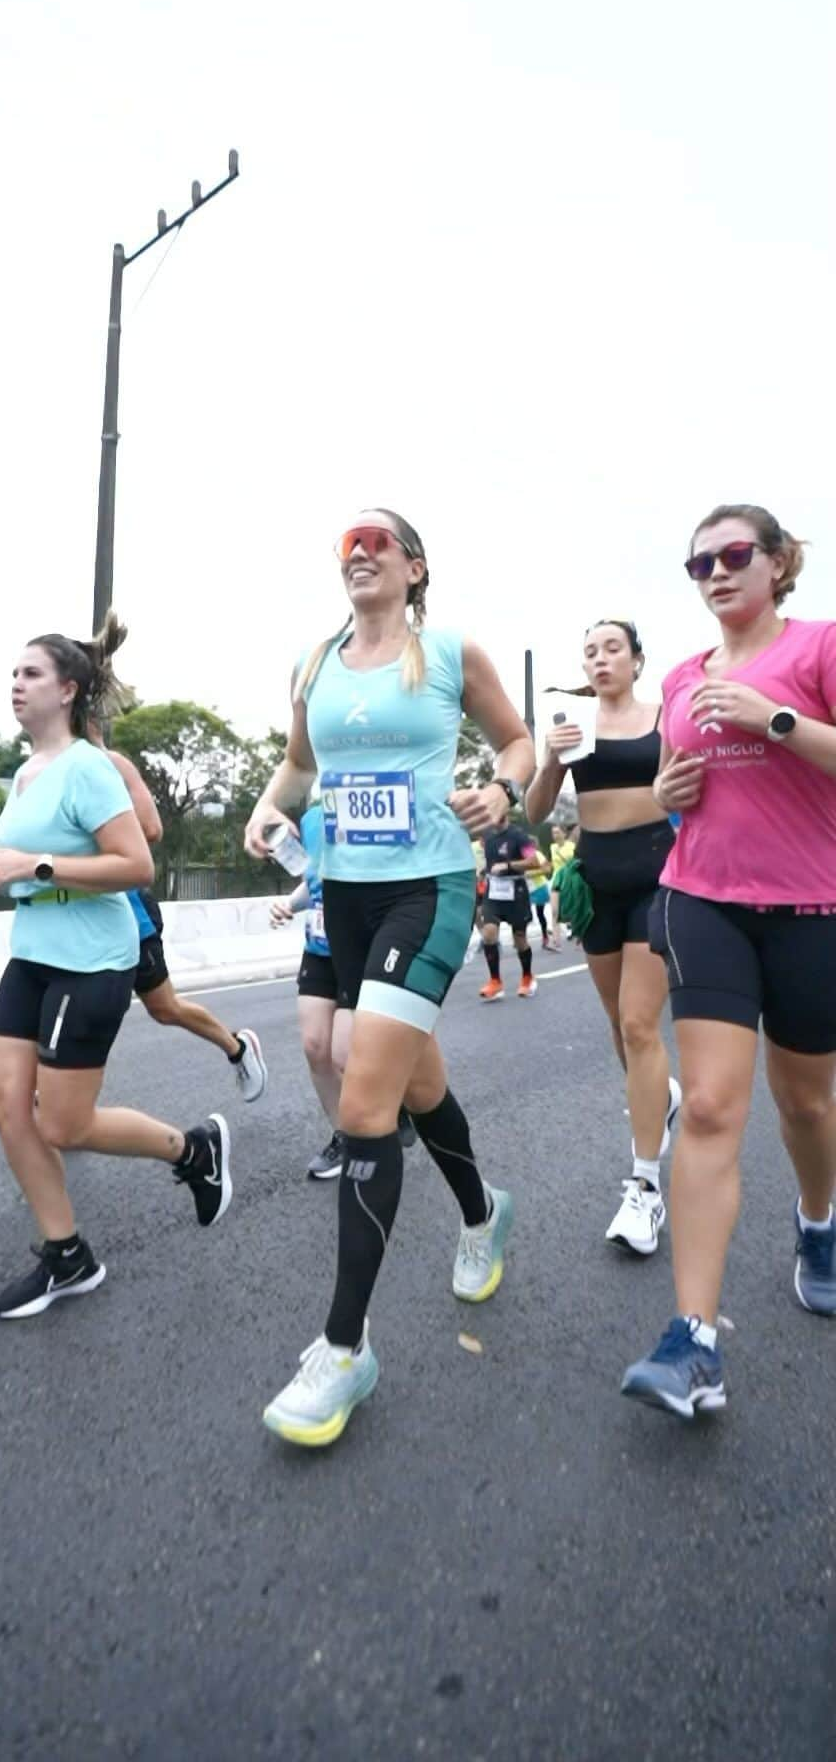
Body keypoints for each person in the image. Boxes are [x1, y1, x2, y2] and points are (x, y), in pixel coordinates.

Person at [246, 510, 534, 1446]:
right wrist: (263, 809)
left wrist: (503, 790)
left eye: (378, 540)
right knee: (417, 1081)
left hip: (431, 888)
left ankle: (343, 1350)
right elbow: (298, 765)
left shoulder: (450, 651)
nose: (358, 551)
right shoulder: (314, 664)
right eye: (345, 545)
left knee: (366, 1103)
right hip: (347, 900)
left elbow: (519, 746)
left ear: (414, 566)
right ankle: (484, 1213)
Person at [622, 506, 836, 1417]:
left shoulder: (821, 648)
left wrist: (778, 716)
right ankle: (693, 1341)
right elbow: (674, 784)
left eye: (734, 555)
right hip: (702, 900)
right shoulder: (679, 678)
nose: (715, 572)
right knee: (709, 1106)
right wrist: (667, 789)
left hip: (812, 909)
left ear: (779, 563)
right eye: (698, 562)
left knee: (808, 1103)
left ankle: (819, 1222)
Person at [0, 615, 231, 1320]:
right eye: (13, 675)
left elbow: (137, 863)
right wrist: (4, 873)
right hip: (32, 956)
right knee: (3, 1104)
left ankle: (192, 1151)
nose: (16, 686)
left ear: (69, 690)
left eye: (31, 675)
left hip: (91, 962)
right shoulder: (26, 772)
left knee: (62, 1123)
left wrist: (36, 864)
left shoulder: (89, 766)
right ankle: (67, 1257)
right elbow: (28, 862)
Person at [526, 621, 681, 1256]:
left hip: (656, 873)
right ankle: (659, 1096)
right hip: (596, 880)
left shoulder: (665, 715)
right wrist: (550, 761)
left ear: (638, 660)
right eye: (590, 651)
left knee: (642, 1027)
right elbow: (536, 811)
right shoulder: (574, 724)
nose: (600, 659)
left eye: (612, 648)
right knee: (619, 1025)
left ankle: (645, 1187)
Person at [88, 718, 268, 1103]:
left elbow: (151, 828)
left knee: (164, 1007)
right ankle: (61, 1095)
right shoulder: (47, 767)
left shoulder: (110, 763)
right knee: (78, 1003)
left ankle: (237, 1048)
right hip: (78, 916)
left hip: (127, 911)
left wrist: (96, 826)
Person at [270, 799, 418, 1178]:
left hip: (360, 943)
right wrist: (289, 903)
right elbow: (313, 879)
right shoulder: (311, 818)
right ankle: (344, 1138)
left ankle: (391, 1108)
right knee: (314, 1047)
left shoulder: (375, 802)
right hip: (318, 946)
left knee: (343, 1054)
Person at [476, 820, 542, 999]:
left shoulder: (519, 836)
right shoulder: (487, 835)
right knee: (489, 933)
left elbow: (534, 861)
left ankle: (527, 977)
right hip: (494, 892)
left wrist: (508, 866)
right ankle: (495, 981)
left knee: (519, 938)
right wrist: (484, 871)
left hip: (516, 891)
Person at [547, 823, 576, 946]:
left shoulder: (572, 846)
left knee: (571, 908)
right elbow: (551, 864)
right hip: (556, 879)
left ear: (564, 834)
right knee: (554, 910)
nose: (555, 835)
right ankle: (556, 939)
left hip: (570, 879)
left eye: (558, 832)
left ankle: (573, 928)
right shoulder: (552, 847)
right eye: (553, 833)